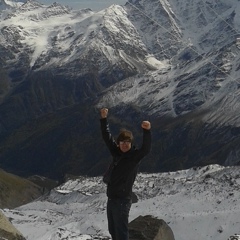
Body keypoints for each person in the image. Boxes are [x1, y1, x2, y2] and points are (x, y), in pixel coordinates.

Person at [100, 108, 151, 240]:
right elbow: (107, 137)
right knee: (113, 230)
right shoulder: (116, 153)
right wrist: (104, 119)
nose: (124, 145)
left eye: (127, 142)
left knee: (121, 232)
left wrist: (147, 131)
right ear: (118, 143)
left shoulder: (134, 157)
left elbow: (145, 149)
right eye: (122, 142)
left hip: (122, 201)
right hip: (111, 199)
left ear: (131, 143)